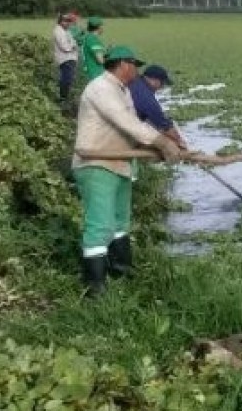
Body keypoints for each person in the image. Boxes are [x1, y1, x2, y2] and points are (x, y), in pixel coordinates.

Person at [72, 45, 183, 295]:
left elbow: (133, 129)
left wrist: (154, 151)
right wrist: (162, 142)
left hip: (119, 163)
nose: (137, 70)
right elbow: (128, 123)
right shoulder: (101, 87)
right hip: (96, 164)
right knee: (100, 225)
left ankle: (121, 269)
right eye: (135, 64)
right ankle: (95, 287)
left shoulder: (123, 91)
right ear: (123, 64)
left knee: (120, 222)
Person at [128, 64, 188, 149]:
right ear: (154, 80)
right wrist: (180, 142)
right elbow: (164, 125)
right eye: (162, 83)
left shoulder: (135, 81)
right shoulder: (146, 97)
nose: (162, 87)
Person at [52, 12, 79, 107]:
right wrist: (72, 46)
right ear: (60, 21)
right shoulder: (58, 31)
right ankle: (63, 98)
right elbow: (65, 47)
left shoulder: (66, 31)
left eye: (69, 21)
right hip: (65, 59)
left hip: (70, 58)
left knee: (68, 79)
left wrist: (72, 45)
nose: (68, 23)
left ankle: (64, 97)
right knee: (66, 79)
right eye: (65, 21)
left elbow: (74, 42)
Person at [80, 16, 107, 81]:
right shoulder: (93, 40)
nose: (103, 28)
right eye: (102, 26)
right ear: (98, 27)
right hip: (96, 74)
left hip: (91, 73)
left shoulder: (88, 37)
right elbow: (100, 60)